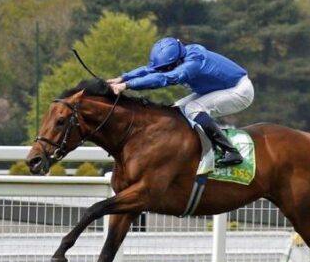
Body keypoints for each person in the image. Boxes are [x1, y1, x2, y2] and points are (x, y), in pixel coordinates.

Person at [107, 37, 254, 167]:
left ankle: (230, 151)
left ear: (178, 61)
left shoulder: (193, 63)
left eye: (167, 68)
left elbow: (164, 78)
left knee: (193, 108)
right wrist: (122, 78)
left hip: (240, 90)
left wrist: (127, 85)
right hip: (217, 88)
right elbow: (150, 70)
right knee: (175, 110)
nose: (164, 71)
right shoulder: (176, 58)